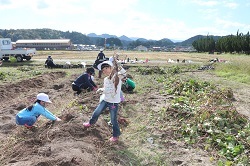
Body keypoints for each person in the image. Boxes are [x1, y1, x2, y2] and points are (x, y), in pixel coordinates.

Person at [83, 61, 123, 142]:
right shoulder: (105, 79)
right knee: (96, 112)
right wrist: (102, 90)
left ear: (111, 68)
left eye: (106, 69)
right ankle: (91, 122)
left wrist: (118, 66)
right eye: (103, 70)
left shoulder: (117, 77)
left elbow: (123, 73)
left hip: (113, 103)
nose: (104, 71)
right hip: (105, 100)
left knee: (113, 119)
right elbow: (106, 89)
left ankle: (116, 135)